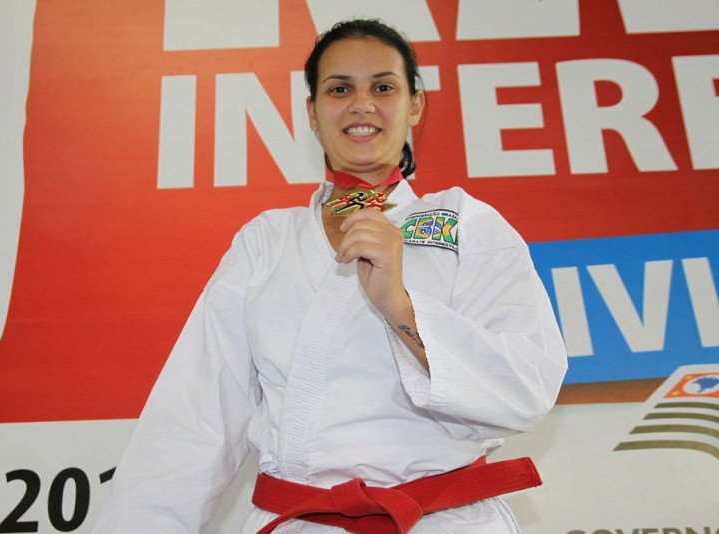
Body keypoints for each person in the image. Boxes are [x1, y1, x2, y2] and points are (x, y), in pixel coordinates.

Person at [92, 18, 568, 534]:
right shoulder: (267, 241)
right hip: (301, 522)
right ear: (312, 113)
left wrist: (401, 307)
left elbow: (526, 388)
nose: (361, 105)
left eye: (383, 87)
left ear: (415, 105)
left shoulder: (464, 223)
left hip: (443, 523)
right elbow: (195, 419)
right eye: (339, 89)